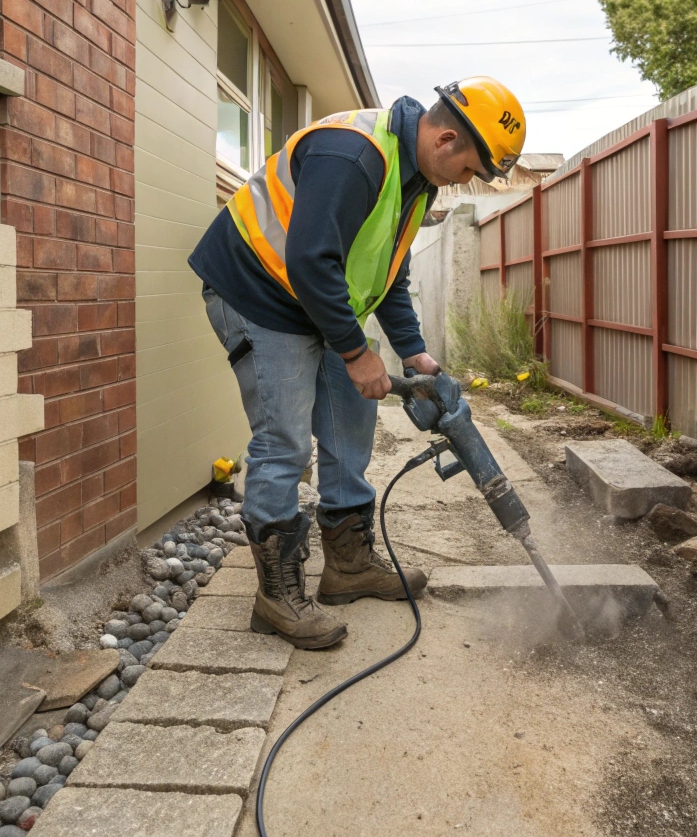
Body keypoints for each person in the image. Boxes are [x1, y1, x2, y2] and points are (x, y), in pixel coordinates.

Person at [188, 77, 527, 648]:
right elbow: (308, 258)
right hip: (257, 290)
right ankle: (276, 595)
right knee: (285, 441)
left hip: (309, 297)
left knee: (351, 420)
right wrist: (354, 352)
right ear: (446, 140)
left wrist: (413, 350)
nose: (465, 182)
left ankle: (346, 566)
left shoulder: (416, 181)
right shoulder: (354, 155)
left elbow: (387, 271)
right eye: (472, 169)